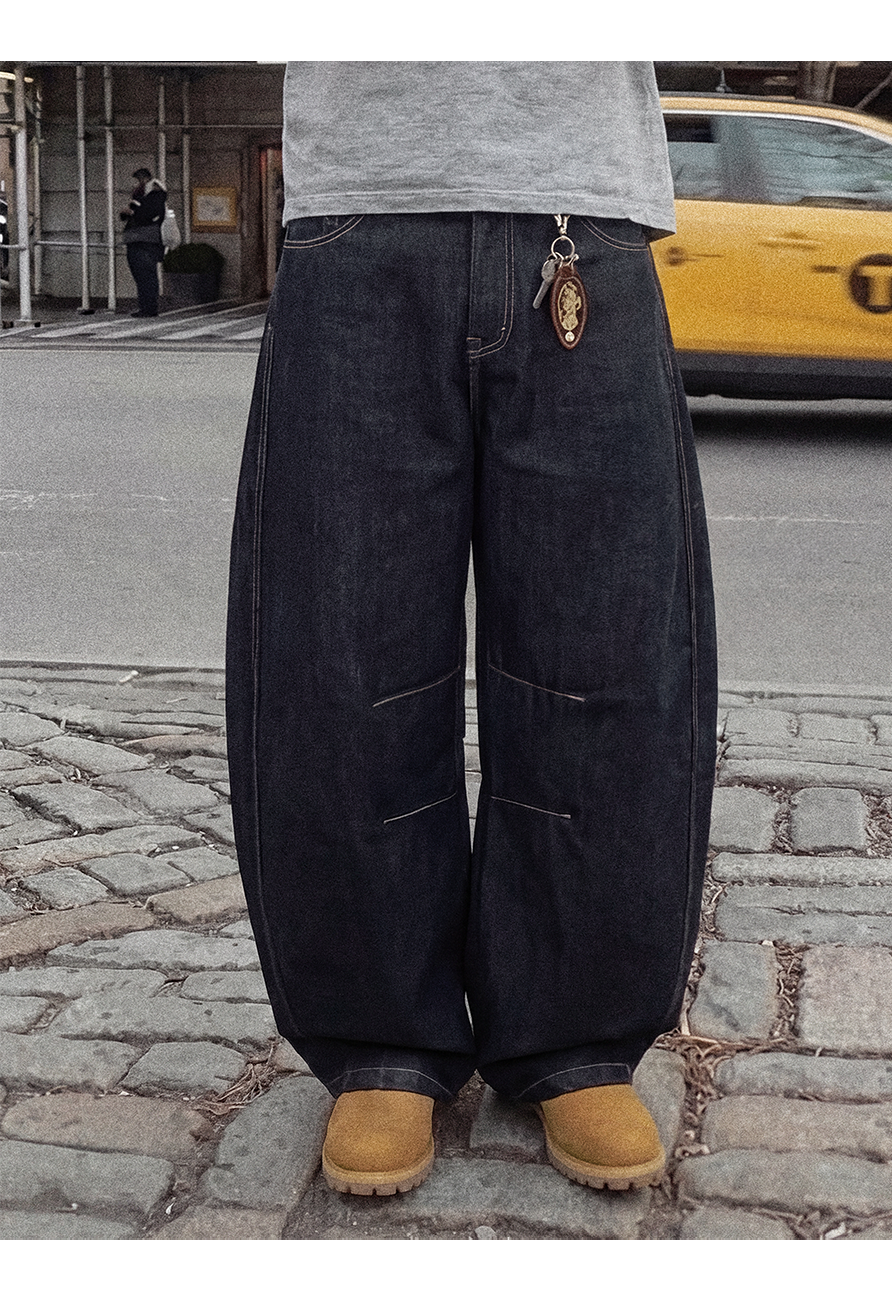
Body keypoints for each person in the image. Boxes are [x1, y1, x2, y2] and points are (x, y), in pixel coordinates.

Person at [226, 62, 718, 1197]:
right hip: (361, 207)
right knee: (340, 653)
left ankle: (576, 1034)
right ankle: (380, 1039)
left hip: (581, 205)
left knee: (604, 651)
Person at [120, 167, 166, 316]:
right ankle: (146, 307)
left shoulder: (155, 194)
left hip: (145, 240)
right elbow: (128, 214)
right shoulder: (141, 195)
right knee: (142, 275)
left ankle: (149, 307)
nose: (138, 183)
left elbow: (148, 214)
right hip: (138, 239)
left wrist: (133, 213)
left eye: (139, 179)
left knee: (145, 274)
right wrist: (128, 212)